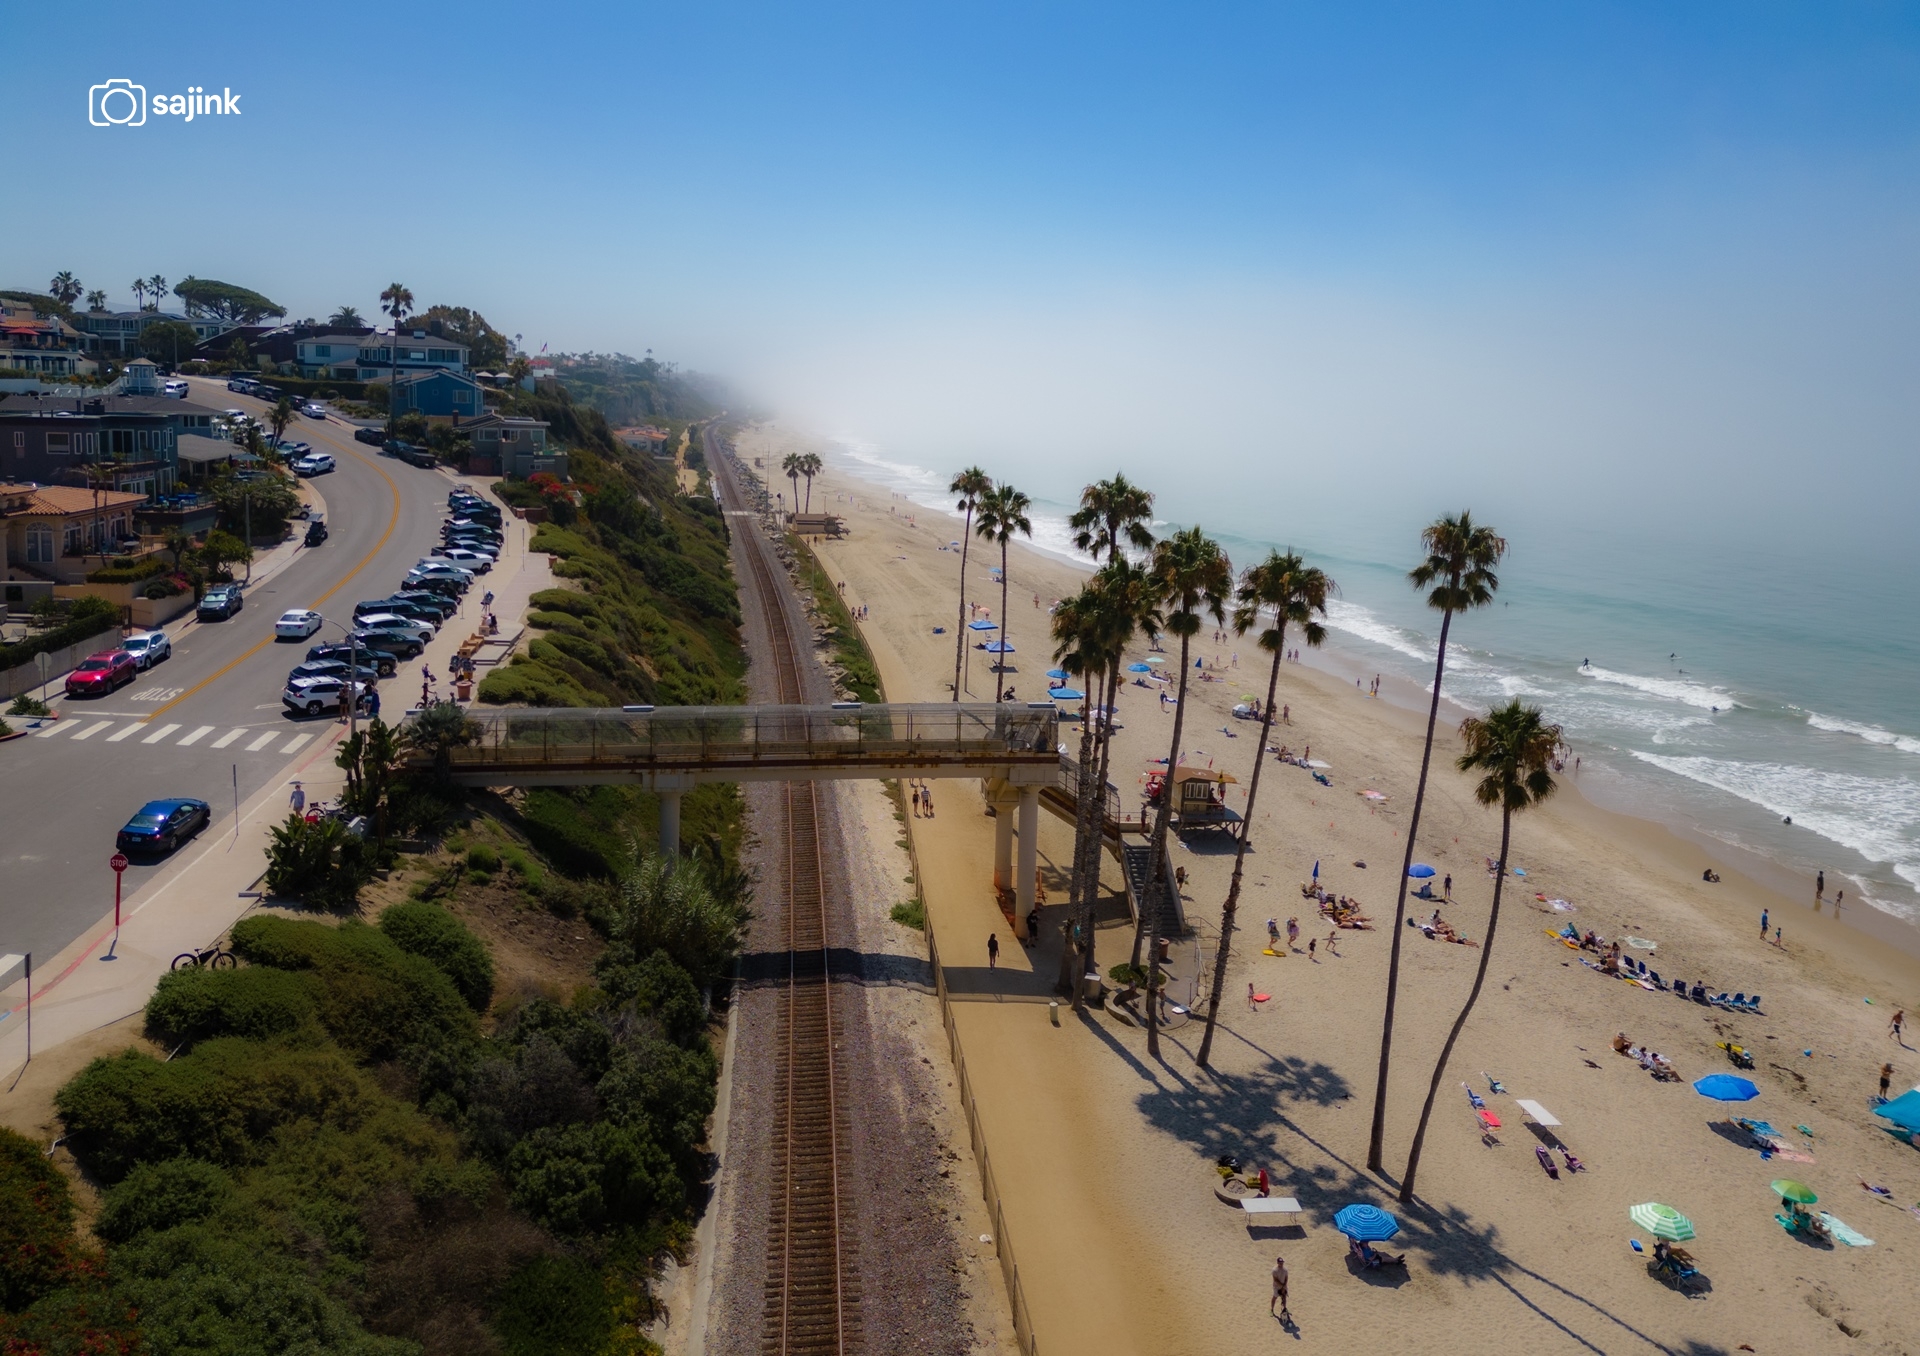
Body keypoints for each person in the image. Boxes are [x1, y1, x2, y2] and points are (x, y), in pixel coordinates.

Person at [1270, 1255, 1289, 1321]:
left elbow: (1286, 1278)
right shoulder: (1274, 1270)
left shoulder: (1285, 1270)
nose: (1281, 1264)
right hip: (1277, 1287)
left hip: (1284, 1286)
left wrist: (1284, 1286)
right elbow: (1275, 1279)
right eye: (1280, 1263)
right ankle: (1272, 1310)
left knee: (1284, 1297)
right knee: (1275, 1297)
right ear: (1278, 1263)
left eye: (1282, 1263)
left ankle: (1284, 1308)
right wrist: (1282, 1285)